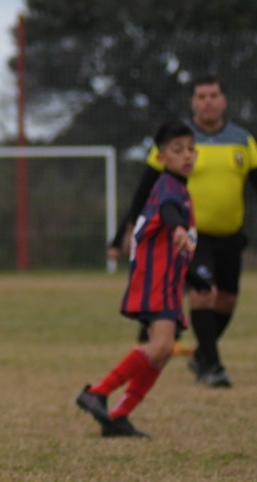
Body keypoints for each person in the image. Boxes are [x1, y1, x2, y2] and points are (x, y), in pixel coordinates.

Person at [113, 75, 257, 388]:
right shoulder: (178, 141)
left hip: (230, 236)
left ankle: (202, 354)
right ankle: (213, 367)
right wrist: (127, 227)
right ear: (193, 102)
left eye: (213, 95)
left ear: (224, 99)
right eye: (201, 96)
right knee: (203, 294)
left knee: (226, 301)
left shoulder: (242, 139)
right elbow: (146, 187)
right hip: (188, 235)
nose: (208, 102)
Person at [78, 121, 197, 438]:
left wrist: (196, 277)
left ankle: (118, 415)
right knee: (160, 346)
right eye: (177, 149)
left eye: (190, 149)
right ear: (160, 157)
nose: (186, 155)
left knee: (163, 349)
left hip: (168, 282)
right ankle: (98, 393)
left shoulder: (181, 189)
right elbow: (170, 213)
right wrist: (178, 229)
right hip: (156, 281)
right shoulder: (169, 189)